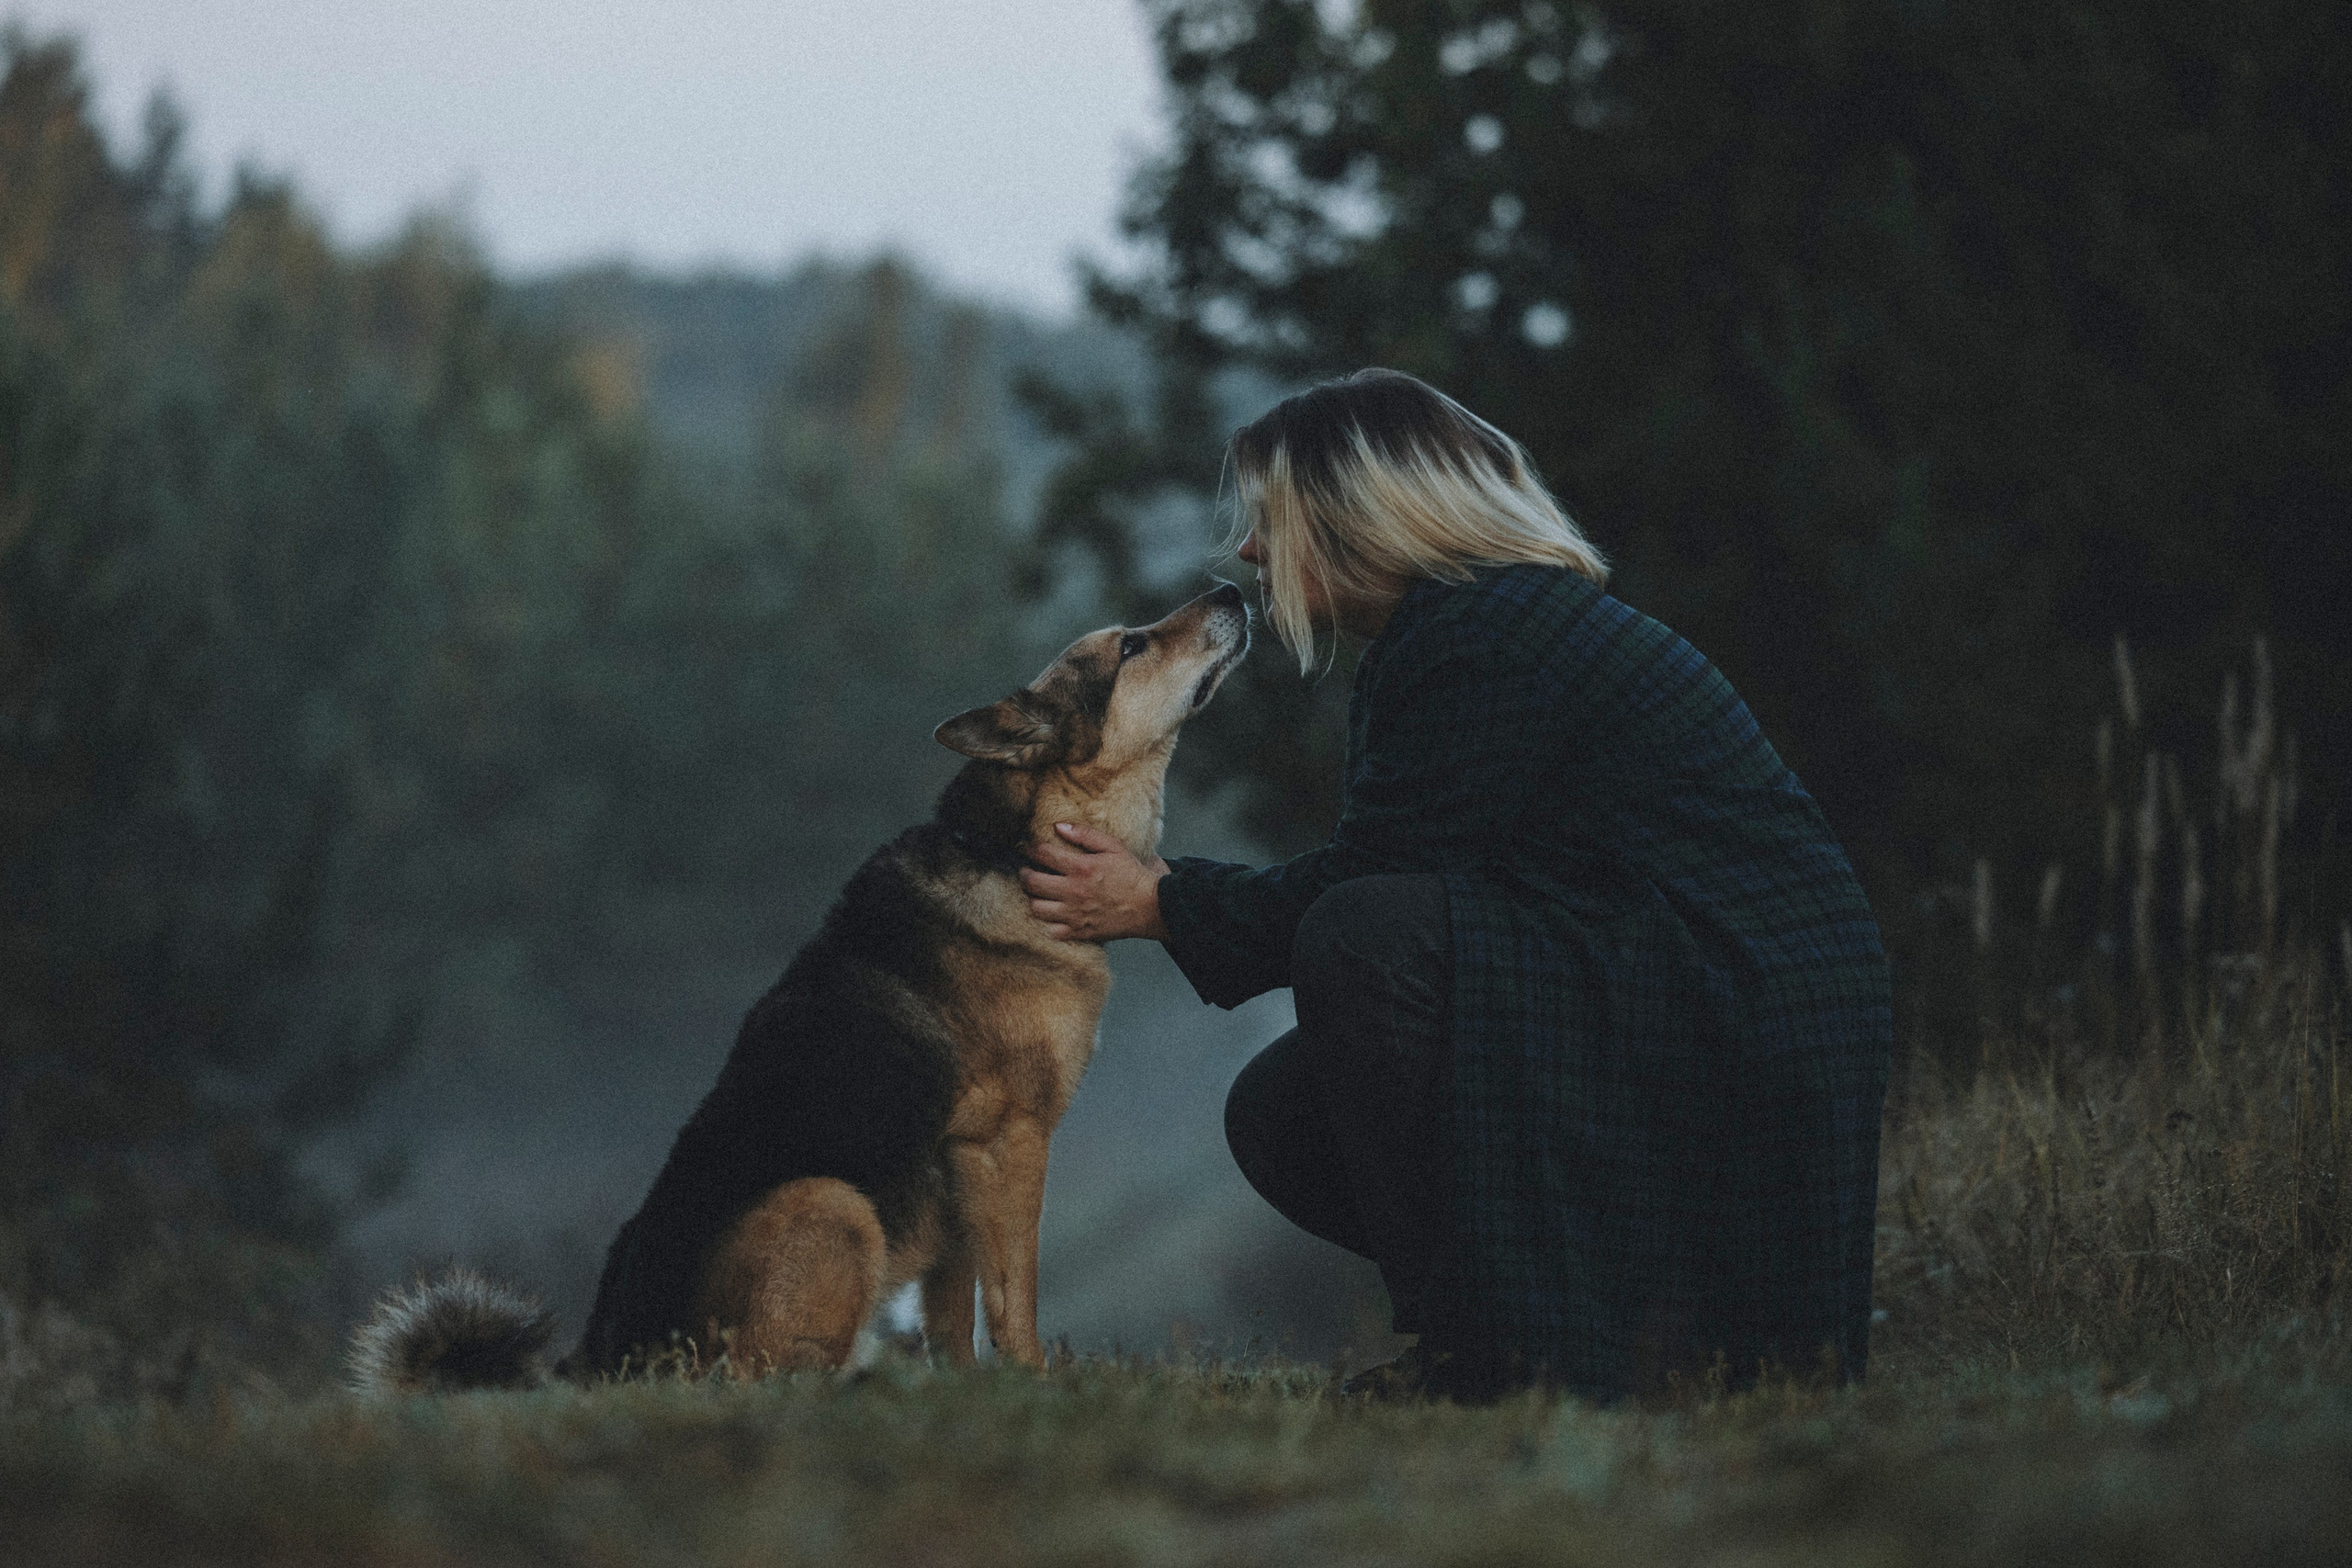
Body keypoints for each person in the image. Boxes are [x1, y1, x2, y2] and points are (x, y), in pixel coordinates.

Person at [1020, 368, 1892, 1402]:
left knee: (1362, 937)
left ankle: (1487, 1360)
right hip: (1686, 995)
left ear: (1357, 521)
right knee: (1288, 1107)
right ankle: (1613, 1345)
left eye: (1272, 522)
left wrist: (1162, 900)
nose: (1251, 552)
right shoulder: (1478, 625)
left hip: (1725, 1012)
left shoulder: (1483, 637)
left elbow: (1376, 887)